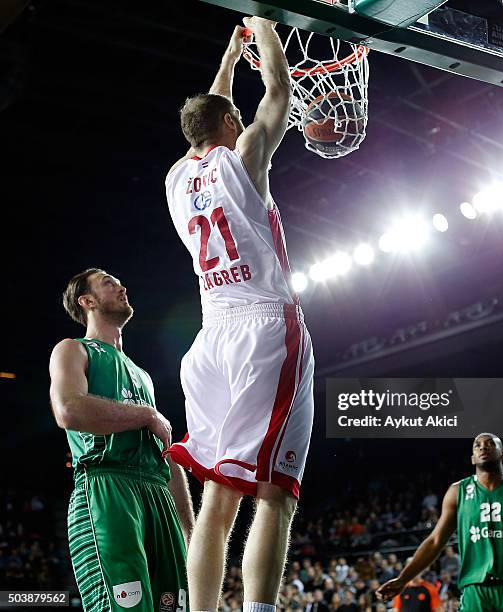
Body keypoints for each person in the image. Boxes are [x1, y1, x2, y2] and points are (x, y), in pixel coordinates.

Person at [164, 15, 314, 612]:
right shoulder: (246, 153)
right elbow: (277, 92)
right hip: (263, 328)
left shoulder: (177, 178)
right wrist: (266, 24)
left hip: (211, 340)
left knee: (217, 497)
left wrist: (229, 55)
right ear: (231, 123)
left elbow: (209, 111)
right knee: (275, 492)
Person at [49, 268, 193, 611]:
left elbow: (165, 454)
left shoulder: (143, 375)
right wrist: (146, 415)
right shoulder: (73, 350)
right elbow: (68, 409)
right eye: (108, 283)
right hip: (108, 488)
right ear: (88, 301)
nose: (121, 286)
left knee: (175, 607)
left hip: (158, 497)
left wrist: (189, 527)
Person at [377, 433, 503, 611]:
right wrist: (403, 579)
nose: (483, 447)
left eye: (490, 443)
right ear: (473, 458)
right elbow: (435, 541)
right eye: (477, 445)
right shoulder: (458, 492)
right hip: (476, 589)